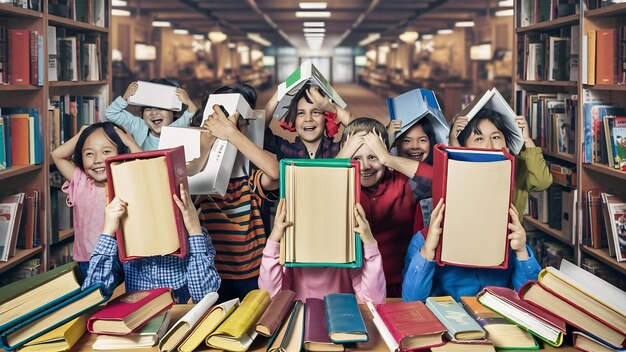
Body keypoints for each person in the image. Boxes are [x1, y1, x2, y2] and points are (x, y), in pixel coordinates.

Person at [189, 84, 280, 303]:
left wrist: (231, 134)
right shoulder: (203, 178)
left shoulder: (250, 176)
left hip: (253, 272)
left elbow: (276, 173)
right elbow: (185, 180)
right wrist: (209, 137)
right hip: (214, 273)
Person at [337, 117, 433, 297]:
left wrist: (388, 159)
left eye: (373, 157)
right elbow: (305, 192)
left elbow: (442, 182)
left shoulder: (404, 183)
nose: (365, 166)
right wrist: (342, 157)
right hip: (346, 289)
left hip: (399, 288)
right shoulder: (337, 183)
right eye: (356, 157)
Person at [82, 184, 221, 304]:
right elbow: (93, 293)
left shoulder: (194, 236)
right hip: (137, 320)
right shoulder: (124, 238)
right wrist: (108, 231)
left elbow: (203, 297)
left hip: (174, 319)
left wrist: (194, 231)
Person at [402, 200, 541, 302]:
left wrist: (521, 251)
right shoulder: (422, 240)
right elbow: (411, 301)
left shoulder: (507, 238)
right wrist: (428, 250)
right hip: (447, 324)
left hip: (496, 322)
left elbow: (533, 298)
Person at [51, 122, 141, 280]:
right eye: (89, 154)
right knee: (100, 302)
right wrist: (83, 133)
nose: (98, 160)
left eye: (106, 151)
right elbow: (57, 155)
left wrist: (131, 143)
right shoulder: (81, 183)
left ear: (122, 152)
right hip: (90, 260)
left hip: (128, 259)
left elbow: (145, 169)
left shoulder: (128, 181)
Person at [258, 199, 386, 303]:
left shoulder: (348, 254)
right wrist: (274, 239)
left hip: (341, 322)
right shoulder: (292, 255)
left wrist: (369, 243)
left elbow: (374, 301)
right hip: (301, 323)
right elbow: (271, 297)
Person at [450, 108, 552, 219]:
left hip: (511, 235)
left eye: (496, 137)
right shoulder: (461, 171)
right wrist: (454, 143)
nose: (490, 145)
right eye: (479, 139)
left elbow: (542, 182)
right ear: (464, 146)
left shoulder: (517, 168)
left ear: (506, 143)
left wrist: (526, 139)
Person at [104, 79, 198, 151]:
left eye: (160, 108)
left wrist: (188, 102)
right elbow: (111, 113)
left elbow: (193, 115)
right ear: (142, 114)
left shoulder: (178, 127)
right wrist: (125, 97)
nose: (154, 113)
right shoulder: (138, 126)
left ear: (173, 112)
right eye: (148, 109)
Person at [263, 84, 351, 160]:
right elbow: (259, 132)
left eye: (315, 112)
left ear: (326, 117)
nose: (308, 119)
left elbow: (362, 130)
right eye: (301, 113)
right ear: (293, 119)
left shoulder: (339, 149)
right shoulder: (286, 150)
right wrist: (278, 93)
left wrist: (330, 107)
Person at [388, 118, 438, 229]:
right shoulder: (387, 174)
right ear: (396, 144)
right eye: (406, 140)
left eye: (422, 140)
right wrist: (387, 142)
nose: (415, 146)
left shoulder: (434, 173)